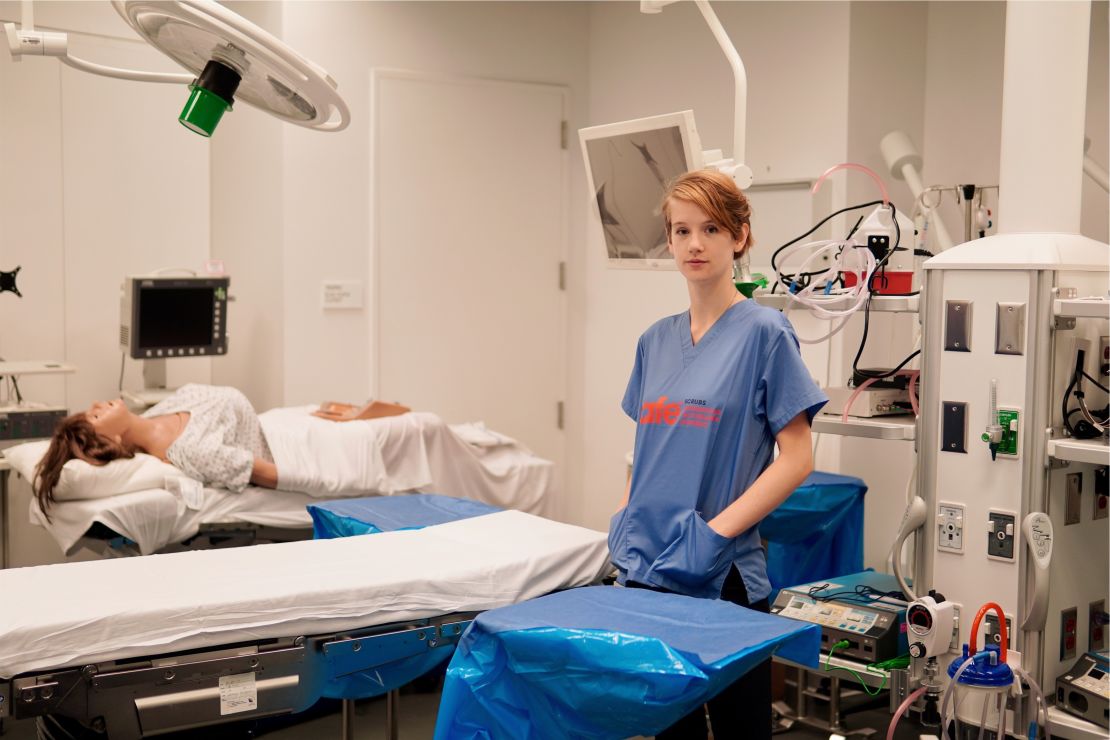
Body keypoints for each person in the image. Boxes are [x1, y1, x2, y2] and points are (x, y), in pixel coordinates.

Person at [609, 169, 827, 739]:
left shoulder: (765, 333)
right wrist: (625, 522)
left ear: (740, 236)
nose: (694, 244)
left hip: (720, 571)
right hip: (648, 566)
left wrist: (715, 535)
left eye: (710, 228)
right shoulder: (654, 340)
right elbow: (646, 448)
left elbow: (798, 457)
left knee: (738, 729)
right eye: (681, 231)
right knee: (667, 727)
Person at [35, 384, 278, 518]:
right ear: (110, 441)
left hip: (275, 422)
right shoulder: (189, 449)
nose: (96, 404)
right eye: (96, 416)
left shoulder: (155, 415)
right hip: (286, 444)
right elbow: (273, 475)